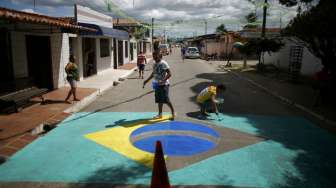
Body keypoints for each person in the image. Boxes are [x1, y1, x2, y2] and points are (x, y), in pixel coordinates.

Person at [143, 51, 176, 120]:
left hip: (164, 84)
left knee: (166, 99)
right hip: (156, 84)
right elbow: (153, 73)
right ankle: (160, 114)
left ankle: (173, 113)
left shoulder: (163, 63)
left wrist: (163, 80)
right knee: (159, 100)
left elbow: (169, 74)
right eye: (153, 56)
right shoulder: (154, 64)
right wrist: (146, 80)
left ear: (159, 55)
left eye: (155, 56)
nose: (154, 57)